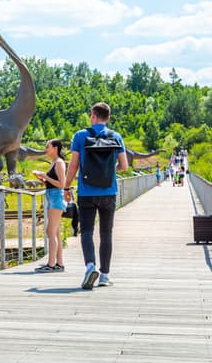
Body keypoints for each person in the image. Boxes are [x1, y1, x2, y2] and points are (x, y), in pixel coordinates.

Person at [64, 102, 128, 289]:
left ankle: (90, 266)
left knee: (87, 231)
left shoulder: (80, 136)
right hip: (109, 192)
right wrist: (109, 172)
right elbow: (124, 166)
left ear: (93, 115)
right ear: (107, 118)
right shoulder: (115, 136)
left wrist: (66, 188)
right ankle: (105, 275)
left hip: (86, 192)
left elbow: (73, 165)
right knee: (106, 233)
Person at [32, 139, 67, 272]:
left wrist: (45, 177)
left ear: (55, 148)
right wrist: (43, 179)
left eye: (48, 147)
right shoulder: (54, 163)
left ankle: (51, 265)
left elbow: (62, 184)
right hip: (52, 196)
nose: (46, 149)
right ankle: (59, 263)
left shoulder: (59, 163)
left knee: (50, 231)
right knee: (55, 232)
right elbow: (54, 183)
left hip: (56, 197)